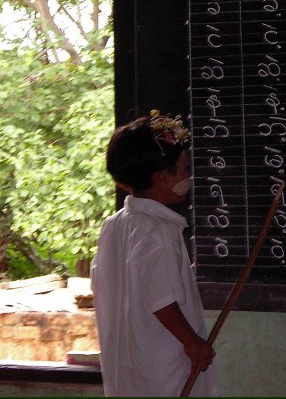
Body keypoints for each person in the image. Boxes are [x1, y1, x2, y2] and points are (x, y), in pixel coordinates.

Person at [91, 110, 218, 397]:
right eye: (185, 168)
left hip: (128, 377)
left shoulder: (114, 226)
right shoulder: (158, 231)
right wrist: (192, 342)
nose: (190, 175)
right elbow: (160, 298)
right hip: (164, 377)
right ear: (162, 177)